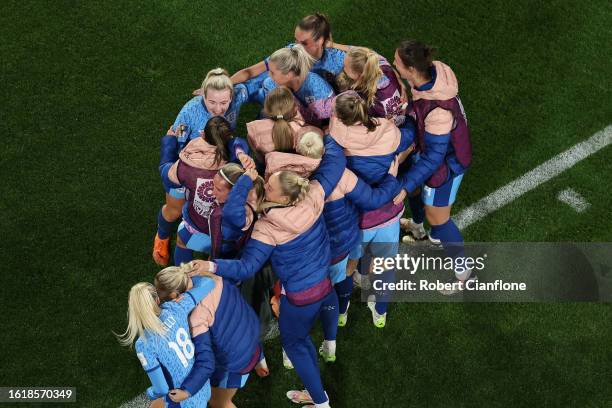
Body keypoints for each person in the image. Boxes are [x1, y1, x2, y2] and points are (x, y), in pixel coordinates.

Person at [188, 135, 347, 408]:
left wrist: (211, 265)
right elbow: (337, 162)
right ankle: (322, 373)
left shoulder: (267, 228)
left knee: (295, 344)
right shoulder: (314, 194)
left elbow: (246, 266)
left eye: (270, 185)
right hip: (324, 282)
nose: (267, 179)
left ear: (282, 196)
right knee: (303, 339)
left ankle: (321, 403)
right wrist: (330, 136)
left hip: (300, 298)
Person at [392, 40, 473, 294]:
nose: (394, 65)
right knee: (427, 204)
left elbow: (433, 160)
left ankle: (463, 273)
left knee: (438, 216)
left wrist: (404, 188)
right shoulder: (433, 73)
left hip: (446, 166)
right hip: (440, 149)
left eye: (397, 63)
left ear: (411, 70)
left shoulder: (438, 112)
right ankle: (427, 234)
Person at [329, 91, 415, 328]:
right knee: (387, 267)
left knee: (348, 268)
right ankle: (380, 312)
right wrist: (409, 119)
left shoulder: (336, 139)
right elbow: (408, 137)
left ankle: (342, 312)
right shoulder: (387, 130)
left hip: (357, 221)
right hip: (389, 215)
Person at [154, 68, 253, 266]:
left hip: (218, 169)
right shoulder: (189, 112)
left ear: (231, 96)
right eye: (212, 102)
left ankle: (208, 249)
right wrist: (181, 171)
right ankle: (162, 236)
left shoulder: (239, 95)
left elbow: (253, 77)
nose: (218, 109)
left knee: (211, 213)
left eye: (224, 102)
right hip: (189, 167)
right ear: (202, 94)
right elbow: (177, 145)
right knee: (174, 210)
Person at [150, 263, 267, 408]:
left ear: (176, 296)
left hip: (238, 359)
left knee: (218, 402)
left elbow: (206, 363)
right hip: (251, 332)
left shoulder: (196, 318)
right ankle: (260, 361)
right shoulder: (207, 274)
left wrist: (187, 391)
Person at [160, 117, 254, 265]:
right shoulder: (235, 166)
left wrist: (169, 142)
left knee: (182, 242)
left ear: (203, 134)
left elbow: (165, 172)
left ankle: (182, 276)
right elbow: (238, 143)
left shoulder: (185, 168)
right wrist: (241, 152)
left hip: (196, 225)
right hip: (227, 235)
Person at [116, 263, 212, 408]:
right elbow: (208, 283)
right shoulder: (177, 307)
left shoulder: (144, 344)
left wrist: (149, 394)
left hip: (182, 400)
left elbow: (161, 389)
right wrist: (183, 274)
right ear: (157, 300)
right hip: (202, 387)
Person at [228, 13, 346, 95]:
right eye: (296, 40)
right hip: (287, 102)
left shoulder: (337, 59)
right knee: (263, 79)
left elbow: (364, 55)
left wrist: (333, 45)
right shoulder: (290, 52)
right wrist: (225, 83)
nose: (297, 47)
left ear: (320, 41)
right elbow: (251, 71)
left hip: (314, 114)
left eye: (304, 43)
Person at [257, 45, 336, 126]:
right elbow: (274, 109)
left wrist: (289, 97)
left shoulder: (319, 88)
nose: (269, 75)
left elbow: (318, 120)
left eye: (272, 72)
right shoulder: (270, 83)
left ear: (288, 75)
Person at [246, 86, 323, 161]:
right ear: (295, 108)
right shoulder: (304, 131)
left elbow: (258, 156)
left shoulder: (255, 130)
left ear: (267, 111)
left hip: (269, 167)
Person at [339, 46, 406, 125]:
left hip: (389, 126)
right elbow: (363, 53)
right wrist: (332, 45)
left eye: (346, 67)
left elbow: (393, 121)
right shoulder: (379, 64)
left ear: (360, 75)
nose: (343, 68)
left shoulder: (373, 100)